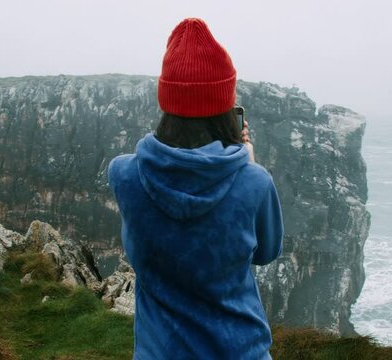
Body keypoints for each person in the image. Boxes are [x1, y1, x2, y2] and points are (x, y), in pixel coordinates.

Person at [108, 18, 284, 360]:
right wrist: (245, 165)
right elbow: (267, 252)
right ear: (224, 107)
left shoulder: (124, 175)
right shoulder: (255, 181)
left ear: (167, 102)